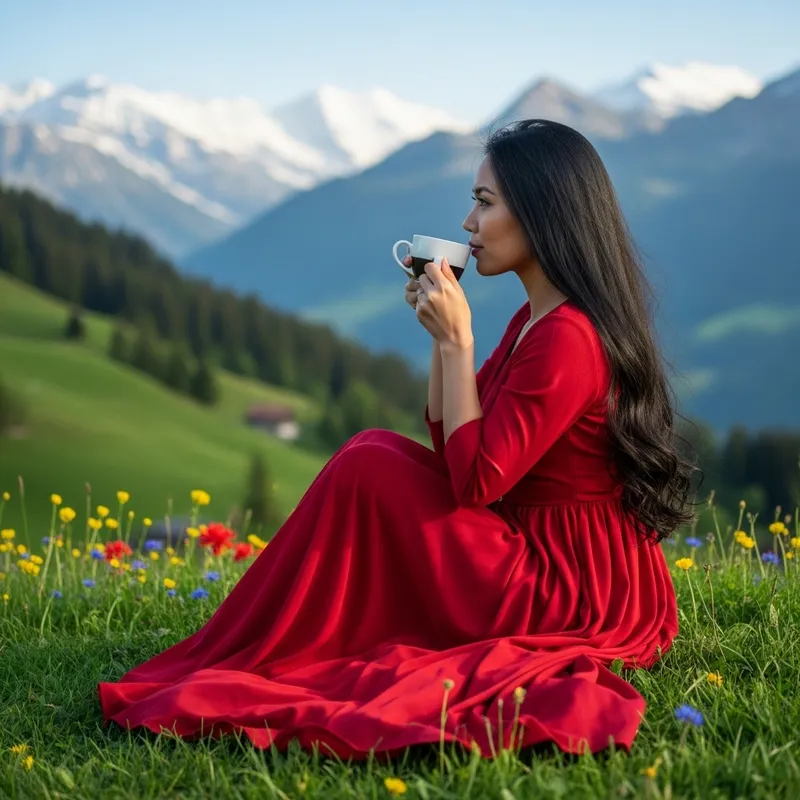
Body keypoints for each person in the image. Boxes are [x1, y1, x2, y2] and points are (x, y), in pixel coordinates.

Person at [98, 119, 695, 759]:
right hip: (539, 547)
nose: (468, 223)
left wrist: (459, 342)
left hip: (569, 587)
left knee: (372, 467)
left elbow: (474, 482)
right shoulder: (535, 318)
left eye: (485, 203)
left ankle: (283, 637)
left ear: (544, 213)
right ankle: (278, 632)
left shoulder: (567, 337)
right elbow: (453, 448)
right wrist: (444, 343)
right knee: (373, 452)